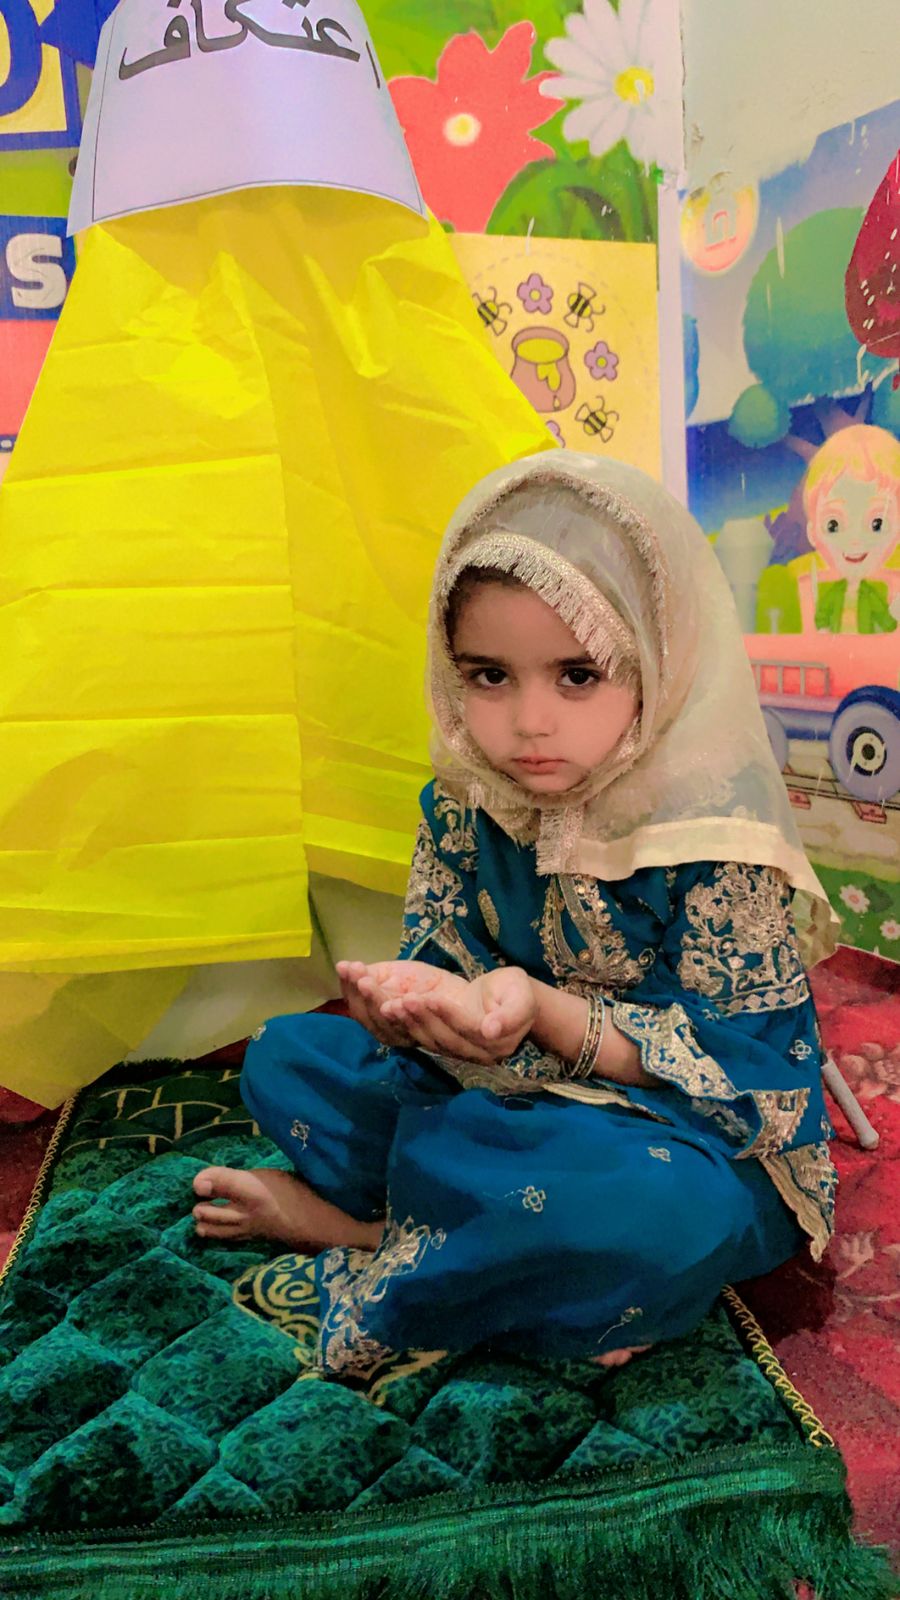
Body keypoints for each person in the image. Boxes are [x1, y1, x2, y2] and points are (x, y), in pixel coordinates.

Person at [193, 451, 838, 1375]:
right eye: (490, 676)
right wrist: (408, 1010)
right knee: (288, 1057)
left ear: (658, 662)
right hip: (494, 1093)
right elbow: (443, 971)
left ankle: (368, 1233)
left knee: (661, 1213)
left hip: (671, 1133)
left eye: (578, 675)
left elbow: (754, 1080)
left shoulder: (713, 838)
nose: (530, 721)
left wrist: (543, 1011)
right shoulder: (466, 805)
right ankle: (500, 1249)